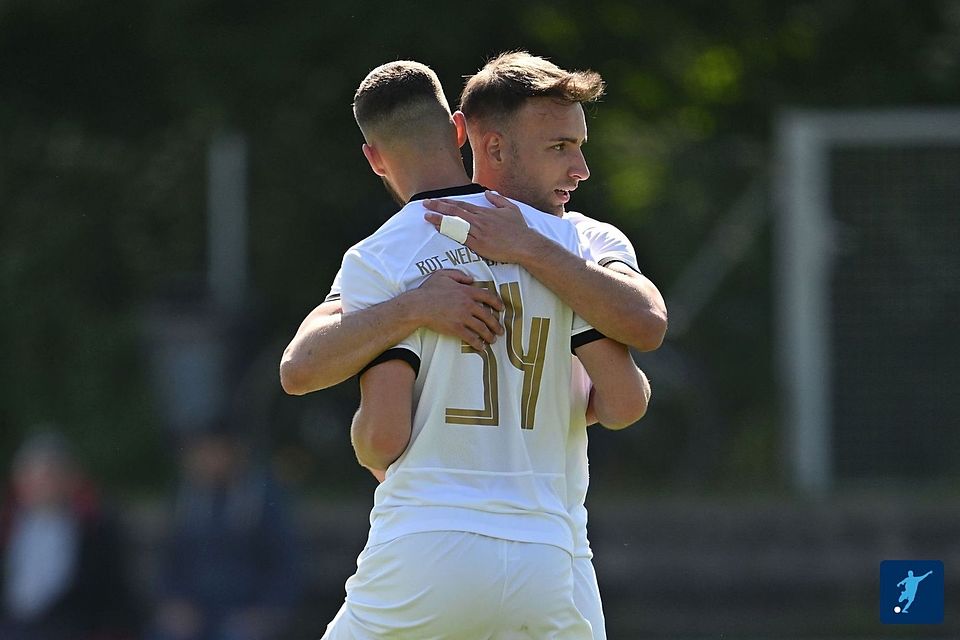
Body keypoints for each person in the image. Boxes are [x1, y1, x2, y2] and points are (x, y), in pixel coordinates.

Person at [281, 52, 665, 639]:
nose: (581, 168)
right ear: (469, 137)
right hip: (550, 556)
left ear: (373, 158)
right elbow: (626, 400)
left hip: (428, 540)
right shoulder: (573, 248)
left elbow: (363, 420)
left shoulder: (389, 255)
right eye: (560, 147)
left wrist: (369, 443)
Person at [148, 422, 302, 640]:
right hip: (194, 610)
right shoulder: (184, 499)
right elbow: (169, 561)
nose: (207, 460)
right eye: (201, 452)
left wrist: (267, 610)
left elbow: (284, 565)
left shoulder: (263, 500)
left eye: (214, 451)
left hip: (246, 609)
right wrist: (174, 602)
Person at [0, 430, 138, 640]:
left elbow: (110, 597)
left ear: (68, 478)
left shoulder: (92, 528)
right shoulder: (11, 525)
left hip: (67, 628)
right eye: (28, 474)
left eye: (46, 475)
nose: (36, 483)